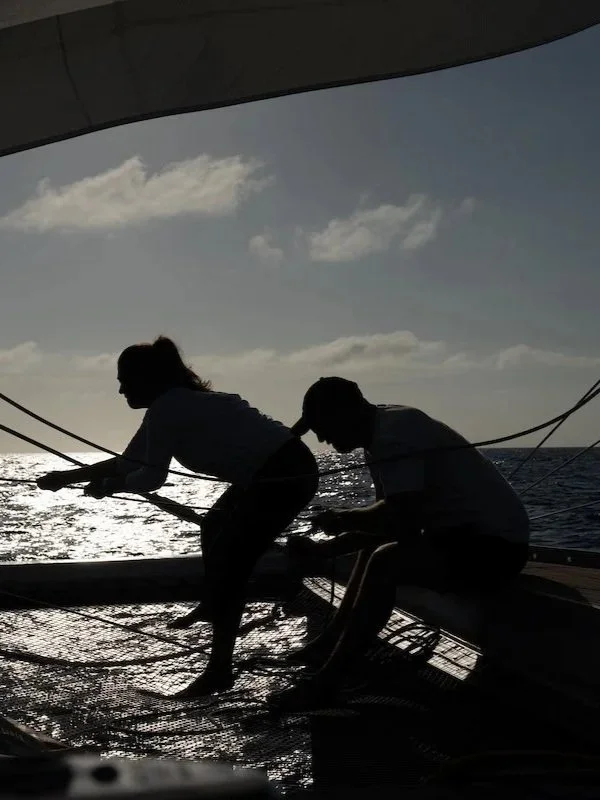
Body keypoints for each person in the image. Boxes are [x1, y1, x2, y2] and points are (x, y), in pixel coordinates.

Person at [37, 336, 318, 697]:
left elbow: (150, 477)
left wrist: (110, 486)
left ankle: (219, 669)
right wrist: (66, 478)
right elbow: (129, 462)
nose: (120, 390)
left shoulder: (167, 408)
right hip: (274, 470)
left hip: (284, 475)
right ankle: (213, 603)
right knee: (214, 526)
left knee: (232, 563)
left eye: (125, 380)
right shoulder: (168, 406)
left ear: (147, 379)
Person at [270, 377, 529, 710]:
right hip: (463, 540)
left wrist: (343, 519)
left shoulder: (394, 438)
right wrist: (325, 550)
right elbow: (390, 525)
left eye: (322, 426)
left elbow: (398, 518)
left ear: (346, 413)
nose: (321, 438)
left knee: (384, 562)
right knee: (377, 552)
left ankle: (326, 683)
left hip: (495, 551)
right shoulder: (382, 432)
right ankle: (330, 642)